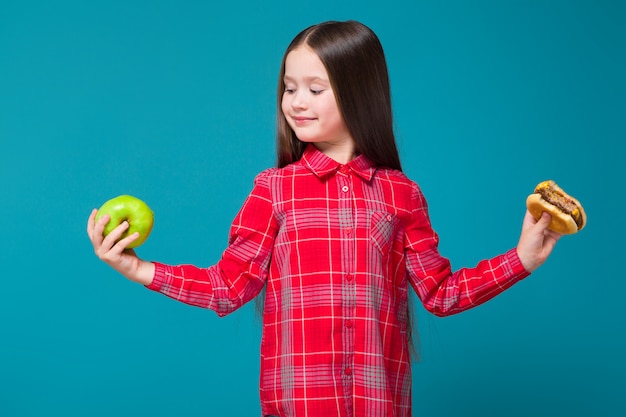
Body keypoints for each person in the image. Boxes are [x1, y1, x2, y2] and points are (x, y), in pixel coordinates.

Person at [87, 20, 561, 417]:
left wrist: (522, 259)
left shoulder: (402, 195)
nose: (296, 102)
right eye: (289, 88)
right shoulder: (272, 190)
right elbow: (228, 287)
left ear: (360, 93)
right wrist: (135, 267)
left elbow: (440, 294)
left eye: (315, 88)